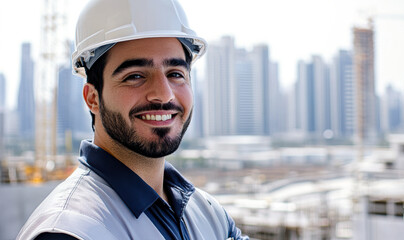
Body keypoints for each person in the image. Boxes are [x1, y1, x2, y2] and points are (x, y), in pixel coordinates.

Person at [17, 0, 248, 239]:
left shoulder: (208, 214)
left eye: (176, 74)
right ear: (93, 98)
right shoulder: (72, 231)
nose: (164, 94)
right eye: (135, 76)